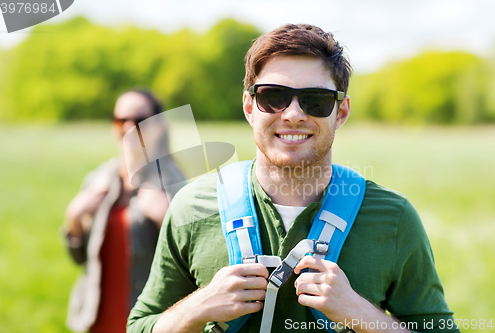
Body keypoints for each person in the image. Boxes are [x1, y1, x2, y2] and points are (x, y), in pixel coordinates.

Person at [127, 25, 460, 333]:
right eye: (273, 96)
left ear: (340, 112)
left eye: (315, 100)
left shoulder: (395, 218)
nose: (293, 114)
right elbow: (139, 325)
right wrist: (198, 306)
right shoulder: (192, 208)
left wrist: (360, 312)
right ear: (249, 107)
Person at [64, 89, 186, 333]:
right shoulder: (98, 178)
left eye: (140, 120)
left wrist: (166, 219)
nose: (129, 127)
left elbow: (193, 268)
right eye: (121, 120)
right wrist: (74, 221)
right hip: (96, 318)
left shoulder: (177, 183)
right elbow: (82, 260)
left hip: (148, 321)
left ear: (158, 126)